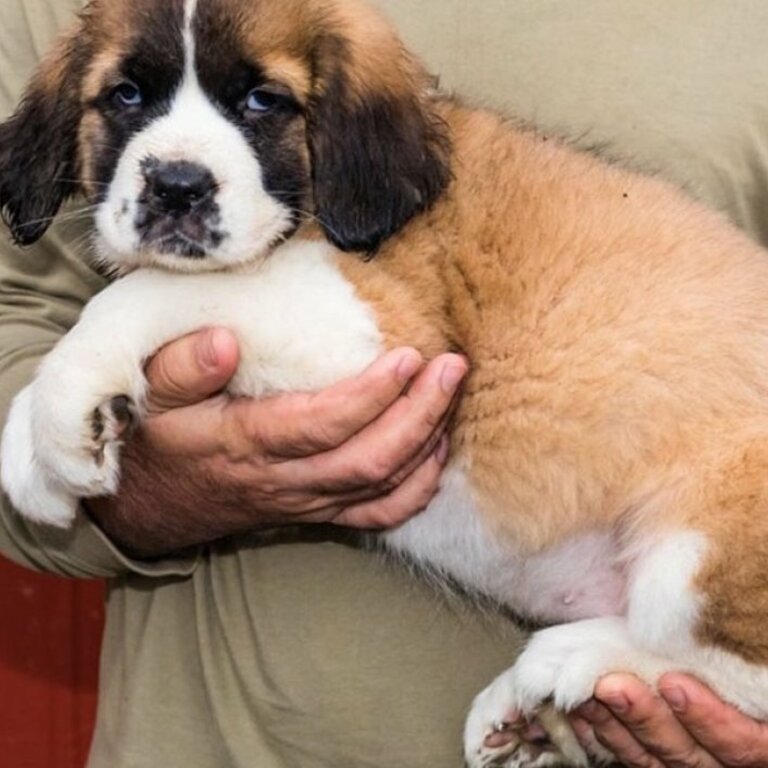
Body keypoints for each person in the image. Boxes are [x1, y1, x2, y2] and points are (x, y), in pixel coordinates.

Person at [1, 0, 768, 765]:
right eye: (127, 96)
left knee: (700, 563)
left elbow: (357, 355)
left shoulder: (373, 192)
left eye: (266, 101)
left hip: (699, 502)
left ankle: (713, 665)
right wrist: (99, 457)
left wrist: (121, 325)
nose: (177, 166)